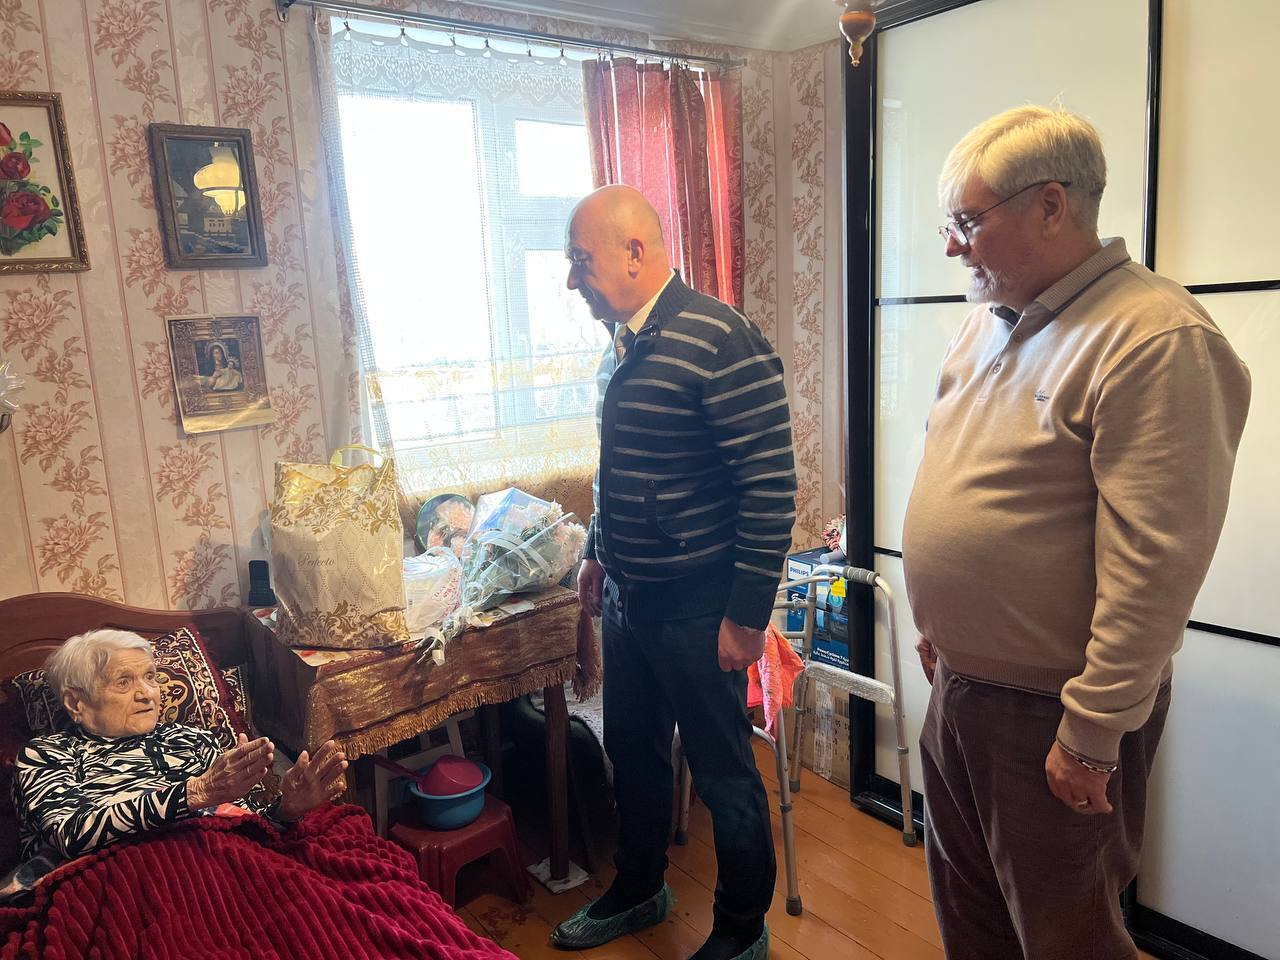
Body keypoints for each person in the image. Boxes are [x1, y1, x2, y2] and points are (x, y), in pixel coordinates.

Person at [902, 105, 1251, 960]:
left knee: (1069, 941)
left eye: (967, 222)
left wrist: (1092, 734)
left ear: (1051, 206)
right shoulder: (986, 321)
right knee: (973, 924)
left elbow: (1156, 566)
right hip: (961, 688)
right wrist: (943, 627)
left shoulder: (1154, 336)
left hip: (1051, 712)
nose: (952, 247)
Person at [551, 185, 795, 960]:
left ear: (635, 251)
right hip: (630, 601)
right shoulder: (621, 348)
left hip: (699, 608)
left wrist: (746, 617)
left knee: (724, 775)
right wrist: (596, 552)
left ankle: (741, 930)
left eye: (580, 260)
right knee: (634, 752)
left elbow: (770, 487)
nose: (571, 279)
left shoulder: (721, 340)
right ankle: (640, 888)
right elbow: (615, 471)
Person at [7, 629, 347, 899]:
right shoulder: (48, 753)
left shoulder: (191, 739)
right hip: (126, 888)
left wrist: (287, 811)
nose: (147, 693)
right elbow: (70, 834)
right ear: (76, 702)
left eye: (150, 677)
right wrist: (192, 793)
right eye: (124, 682)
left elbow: (246, 831)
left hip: (226, 871)